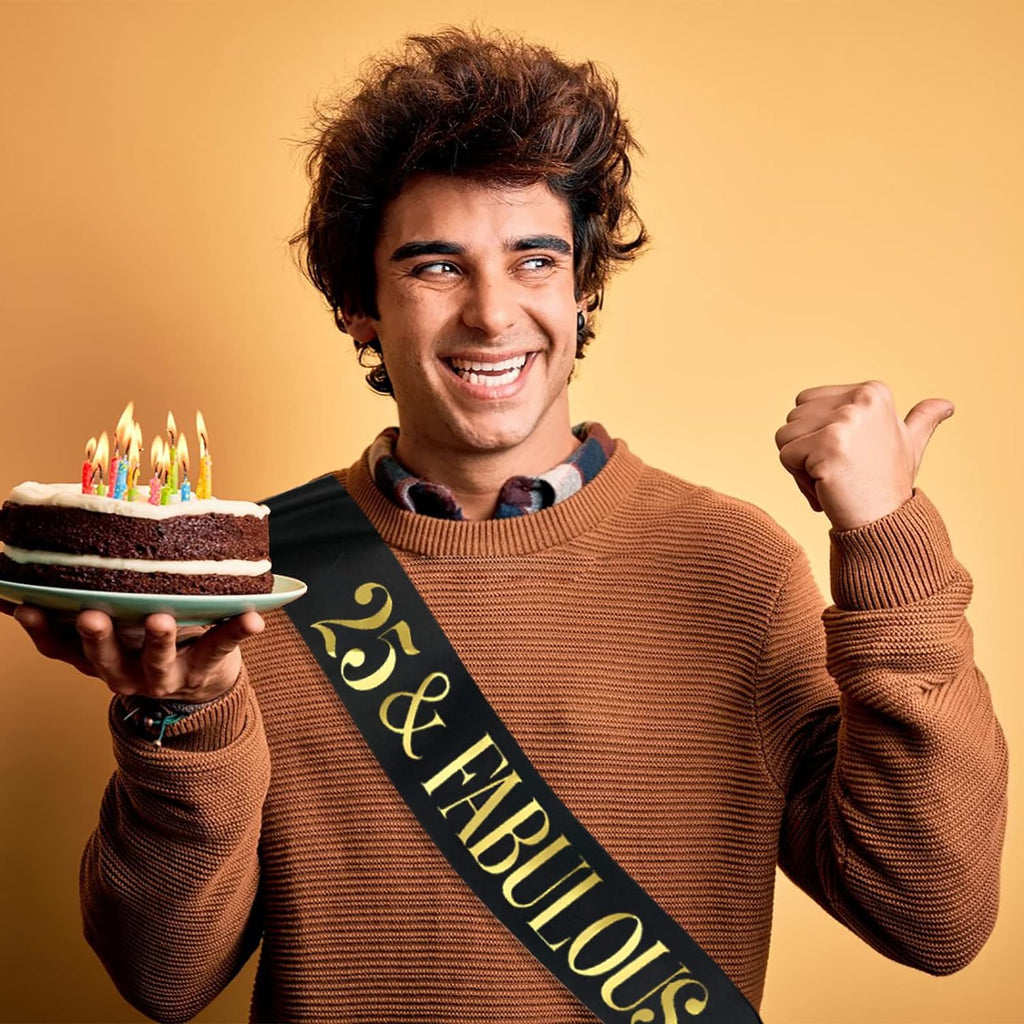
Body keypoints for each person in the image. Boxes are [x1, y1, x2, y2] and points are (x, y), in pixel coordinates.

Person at [1, 28, 1007, 1024]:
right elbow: (164, 980)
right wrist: (181, 717)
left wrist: (887, 541)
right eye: (436, 267)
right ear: (358, 304)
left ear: (582, 289)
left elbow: (933, 917)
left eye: (533, 261)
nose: (492, 314)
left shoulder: (734, 569)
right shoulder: (246, 585)